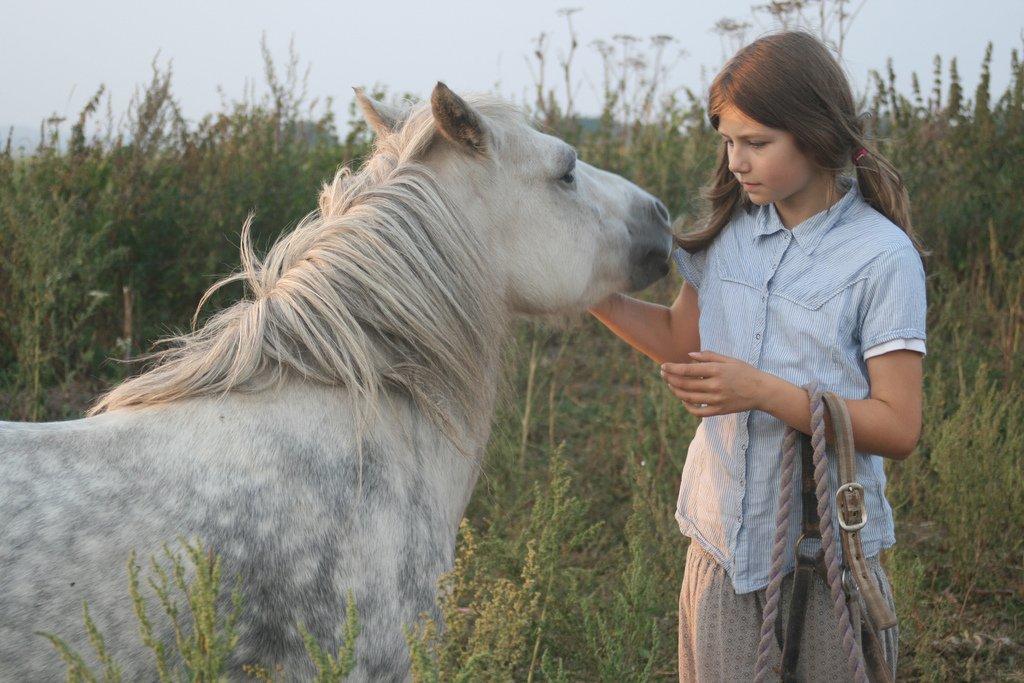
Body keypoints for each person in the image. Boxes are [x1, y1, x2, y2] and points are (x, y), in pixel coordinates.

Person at [588, 30, 927, 681]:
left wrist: (762, 390)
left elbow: (898, 425)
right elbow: (682, 342)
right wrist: (587, 292)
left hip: (826, 560)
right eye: (727, 140)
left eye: (757, 142)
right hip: (719, 547)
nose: (735, 160)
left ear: (815, 133)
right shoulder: (728, 236)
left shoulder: (882, 259)